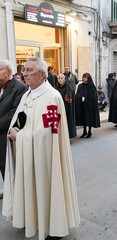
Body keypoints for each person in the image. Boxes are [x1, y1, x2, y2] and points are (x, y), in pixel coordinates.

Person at [2, 57, 80, 239]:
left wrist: (19, 136)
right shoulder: (28, 94)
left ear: (43, 74)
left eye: (30, 70)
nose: (24, 73)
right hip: (28, 154)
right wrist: (15, 128)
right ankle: (33, 218)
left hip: (45, 157)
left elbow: (47, 134)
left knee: (46, 187)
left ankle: (53, 226)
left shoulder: (52, 97)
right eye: (24, 69)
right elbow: (22, 119)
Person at [0, 60, 27, 184]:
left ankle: (13, 197)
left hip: (7, 135)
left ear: (9, 71)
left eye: (0, 69)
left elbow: (14, 113)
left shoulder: (19, 88)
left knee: (8, 168)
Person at [75, 72, 100, 138]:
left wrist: (87, 99)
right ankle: (84, 131)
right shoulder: (80, 86)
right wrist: (80, 98)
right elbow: (77, 95)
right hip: (82, 106)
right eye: (83, 77)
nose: (84, 79)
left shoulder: (92, 86)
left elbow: (94, 97)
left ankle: (89, 131)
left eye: (85, 77)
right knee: (83, 119)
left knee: (89, 119)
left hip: (89, 107)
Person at [56, 73, 77, 139]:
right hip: (58, 108)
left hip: (66, 108)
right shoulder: (57, 87)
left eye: (61, 78)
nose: (60, 80)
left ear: (64, 79)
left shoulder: (68, 87)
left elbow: (68, 98)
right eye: (59, 78)